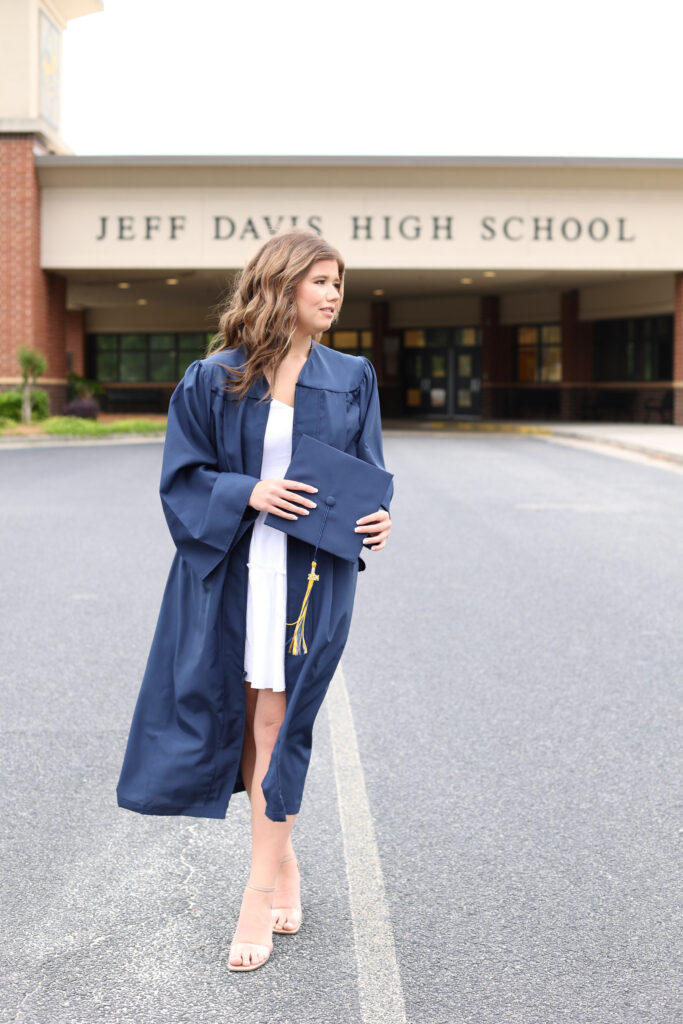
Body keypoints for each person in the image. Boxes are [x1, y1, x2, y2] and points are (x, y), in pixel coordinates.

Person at [115, 229, 393, 973]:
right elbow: (182, 480)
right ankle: (287, 862)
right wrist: (251, 492)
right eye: (320, 281)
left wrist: (379, 518)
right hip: (234, 569)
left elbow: (368, 472)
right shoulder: (214, 379)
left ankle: (256, 888)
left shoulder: (352, 376)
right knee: (245, 723)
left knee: (279, 719)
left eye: (338, 282)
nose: (333, 295)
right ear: (281, 285)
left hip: (308, 574)